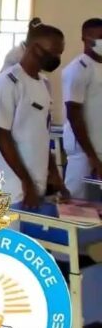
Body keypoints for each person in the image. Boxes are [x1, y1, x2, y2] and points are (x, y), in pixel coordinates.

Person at [0, 24, 68, 208]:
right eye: (54, 53)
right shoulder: (7, 83)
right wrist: (26, 182)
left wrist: (54, 173)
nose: (57, 59)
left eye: (60, 53)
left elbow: (41, 134)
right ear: (36, 49)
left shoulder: (44, 84)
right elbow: (0, 135)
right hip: (6, 186)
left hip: (34, 186)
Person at [63, 18, 102, 199]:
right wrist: (92, 157)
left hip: (99, 146)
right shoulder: (78, 68)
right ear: (85, 38)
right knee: (76, 202)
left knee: (96, 206)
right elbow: (74, 114)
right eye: (99, 37)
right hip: (84, 151)